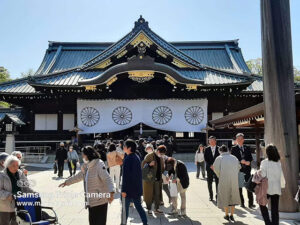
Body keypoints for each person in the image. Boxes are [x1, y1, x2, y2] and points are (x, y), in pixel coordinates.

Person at [59, 146, 114, 225]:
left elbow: (107, 178)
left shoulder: (98, 164)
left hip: (100, 201)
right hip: (91, 201)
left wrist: (111, 192)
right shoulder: (86, 166)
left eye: (83, 154)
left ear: (88, 155)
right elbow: (79, 176)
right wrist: (67, 182)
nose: (82, 156)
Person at [0, 155, 34, 225]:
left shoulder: (20, 173)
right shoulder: (2, 175)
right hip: (5, 206)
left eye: (17, 165)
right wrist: (8, 195)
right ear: (8, 165)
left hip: (20, 203)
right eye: (13, 166)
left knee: (16, 222)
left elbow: (26, 187)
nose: (16, 167)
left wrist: (33, 193)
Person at [121, 139, 148, 225]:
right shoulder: (136, 156)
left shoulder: (128, 158)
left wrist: (124, 190)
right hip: (136, 188)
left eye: (124, 146)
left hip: (128, 189)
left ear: (129, 148)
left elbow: (126, 177)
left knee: (125, 208)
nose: (123, 147)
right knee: (139, 206)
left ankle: (123, 223)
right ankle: (145, 222)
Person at [258, 144, 285, 225]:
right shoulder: (278, 162)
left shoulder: (264, 162)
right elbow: (281, 175)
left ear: (267, 152)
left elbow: (262, 174)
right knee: (275, 208)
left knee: (262, 204)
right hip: (276, 188)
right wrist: (282, 185)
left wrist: (258, 171)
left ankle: (268, 222)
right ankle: (275, 223)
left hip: (267, 188)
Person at [213, 145, 241, 222]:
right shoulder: (234, 158)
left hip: (223, 179)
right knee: (232, 197)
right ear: (227, 150)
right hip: (233, 180)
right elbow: (239, 167)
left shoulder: (219, 158)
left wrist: (220, 175)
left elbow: (215, 168)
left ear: (220, 151)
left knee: (225, 196)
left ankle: (226, 214)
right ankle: (232, 215)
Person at [231, 133, 255, 208]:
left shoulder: (247, 147)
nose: (240, 140)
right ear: (236, 140)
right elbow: (233, 159)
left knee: (249, 186)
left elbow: (250, 158)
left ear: (243, 140)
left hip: (247, 169)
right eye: (238, 139)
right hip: (239, 170)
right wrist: (240, 161)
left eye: (241, 139)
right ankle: (242, 203)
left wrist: (248, 161)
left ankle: (251, 203)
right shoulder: (234, 148)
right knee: (240, 187)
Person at [141, 144, 165, 215]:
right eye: (161, 153)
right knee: (149, 194)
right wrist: (149, 164)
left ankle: (156, 209)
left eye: (163, 154)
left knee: (157, 194)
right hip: (149, 179)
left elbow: (162, 168)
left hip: (157, 179)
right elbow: (142, 166)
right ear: (157, 151)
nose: (161, 155)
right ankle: (149, 209)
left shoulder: (160, 158)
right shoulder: (149, 156)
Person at [204, 136, 220, 201]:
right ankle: (211, 196)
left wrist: (215, 166)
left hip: (217, 168)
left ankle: (217, 196)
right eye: (210, 141)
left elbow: (220, 158)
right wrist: (211, 165)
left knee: (217, 182)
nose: (211, 142)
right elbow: (206, 158)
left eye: (213, 140)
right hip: (209, 168)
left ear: (215, 141)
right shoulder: (207, 149)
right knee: (209, 182)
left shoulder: (219, 148)